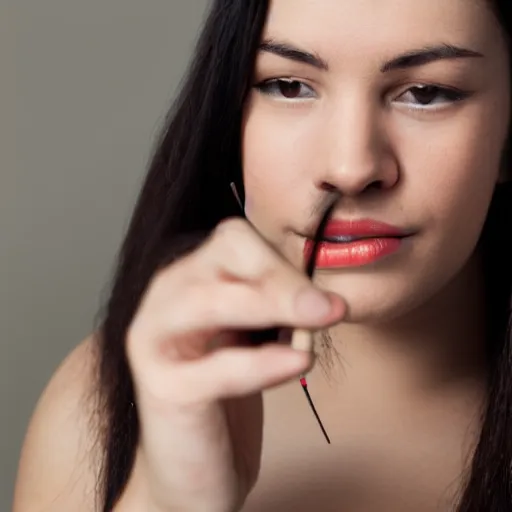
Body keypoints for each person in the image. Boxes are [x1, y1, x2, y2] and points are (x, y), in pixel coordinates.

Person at [12, 0, 512, 510]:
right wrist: (164, 502)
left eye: (426, 94)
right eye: (289, 86)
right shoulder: (102, 409)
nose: (350, 167)